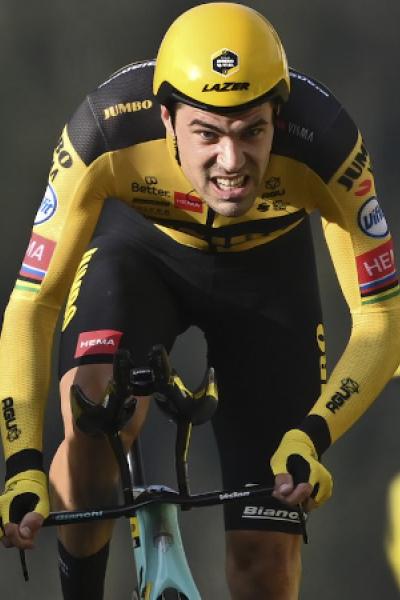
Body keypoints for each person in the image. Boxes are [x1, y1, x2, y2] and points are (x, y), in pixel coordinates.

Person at [0, 3, 399, 599]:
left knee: (266, 563)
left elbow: (383, 319)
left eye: (252, 133)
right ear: (167, 119)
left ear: (277, 117)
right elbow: (33, 303)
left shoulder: (329, 144)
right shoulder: (105, 128)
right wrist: (20, 463)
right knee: (95, 407)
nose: (231, 163)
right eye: (207, 135)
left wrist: (312, 435)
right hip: (141, 260)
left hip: (268, 283)